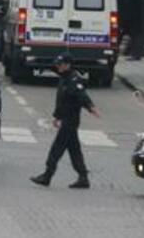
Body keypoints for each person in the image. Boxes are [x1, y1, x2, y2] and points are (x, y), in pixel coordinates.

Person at [30, 54, 100, 189]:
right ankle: (83, 177)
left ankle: (47, 176)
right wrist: (57, 116)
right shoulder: (64, 79)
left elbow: (82, 96)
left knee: (56, 149)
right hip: (66, 119)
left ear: (68, 65)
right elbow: (62, 101)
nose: (58, 66)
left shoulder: (74, 80)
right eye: (58, 64)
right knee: (74, 149)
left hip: (71, 120)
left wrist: (91, 107)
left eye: (60, 64)